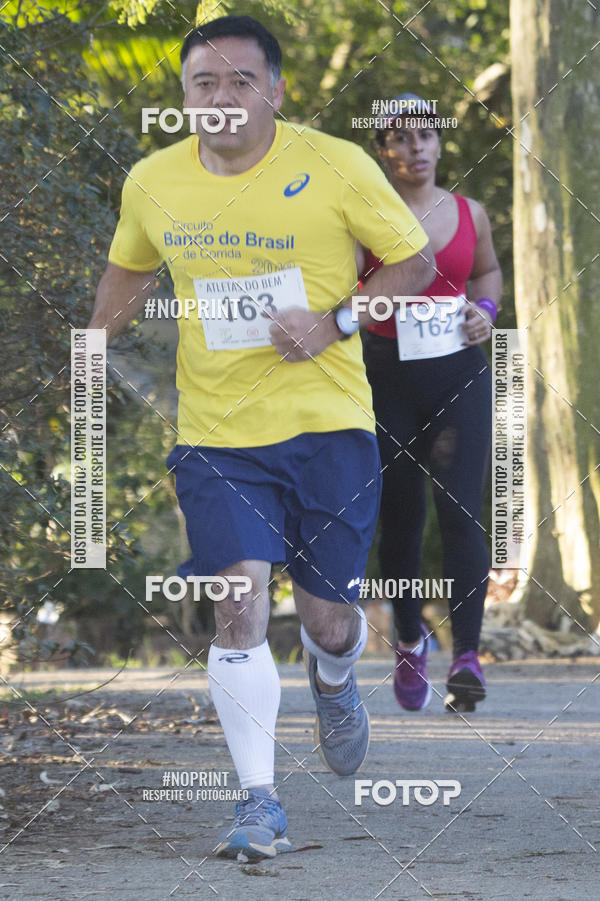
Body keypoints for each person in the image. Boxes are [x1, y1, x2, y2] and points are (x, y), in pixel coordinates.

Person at [88, 21, 434, 859]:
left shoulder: (336, 165)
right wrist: (88, 352)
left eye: (241, 82)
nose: (222, 99)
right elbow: (128, 272)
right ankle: (258, 801)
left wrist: (334, 321)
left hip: (330, 427)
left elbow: (413, 263)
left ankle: (335, 674)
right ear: (183, 100)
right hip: (217, 435)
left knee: (331, 618)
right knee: (236, 600)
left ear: (275, 91)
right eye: (203, 84)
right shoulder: (154, 181)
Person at [358, 94, 502, 714]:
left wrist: (487, 313)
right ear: (383, 151)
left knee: (461, 505)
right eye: (399, 138)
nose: (414, 147)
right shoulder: (363, 215)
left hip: (459, 372)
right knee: (402, 512)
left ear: (441, 144)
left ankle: (467, 654)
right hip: (386, 375)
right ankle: (411, 640)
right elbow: (340, 285)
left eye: (424, 136)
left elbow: (488, 274)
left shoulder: (471, 213)